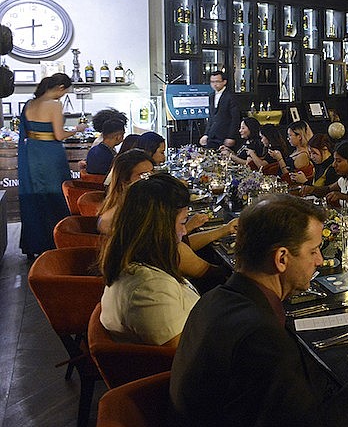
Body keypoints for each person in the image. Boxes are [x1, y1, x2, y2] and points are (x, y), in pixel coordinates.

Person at [170, 194, 348, 427]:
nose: (320, 260)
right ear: (281, 258)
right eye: (313, 251)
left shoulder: (214, 297)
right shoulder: (260, 337)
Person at [98, 150, 237, 284]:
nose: (151, 179)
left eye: (152, 172)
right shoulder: (112, 221)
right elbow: (218, 274)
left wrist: (225, 229)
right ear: (124, 182)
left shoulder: (133, 212)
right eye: (144, 175)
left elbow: (179, 242)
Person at [98, 173, 201, 346]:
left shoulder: (128, 261)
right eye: (183, 223)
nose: (184, 232)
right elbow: (186, 354)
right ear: (160, 227)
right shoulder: (151, 288)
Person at [17, 73, 84, 256]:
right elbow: (59, 135)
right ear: (60, 87)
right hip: (50, 154)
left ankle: (34, 244)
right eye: (65, 91)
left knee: (35, 197)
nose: (64, 95)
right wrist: (77, 130)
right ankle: (54, 242)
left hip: (31, 154)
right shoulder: (54, 104)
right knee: (55, 196)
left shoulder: (29, 104)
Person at [199, 70, 240, 149]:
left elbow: (235, 118)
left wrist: (231, 136)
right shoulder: (211, 96)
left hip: (225, 136)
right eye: (212, 82)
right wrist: (206, 134)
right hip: (212, 135)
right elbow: (211, 117)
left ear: (224, 82)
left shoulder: (231, 96)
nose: (214, 84)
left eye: (217, 81)